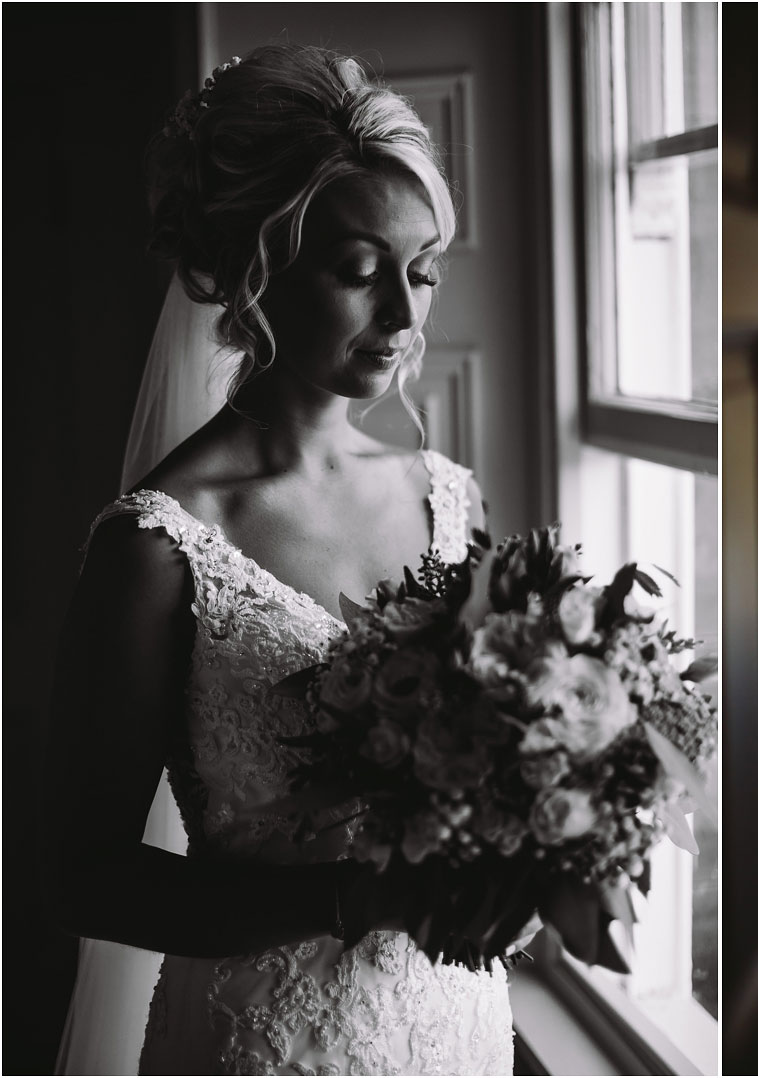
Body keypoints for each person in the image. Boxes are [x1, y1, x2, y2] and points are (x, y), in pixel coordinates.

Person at [47, 45, 514, 1075]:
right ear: (255, 270)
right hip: (272, 1042)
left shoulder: (446, 496)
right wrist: (349, 898)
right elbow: (81, 875)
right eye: (358, 272)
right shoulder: (161, 545)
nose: (402, 312)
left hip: (454, 1020)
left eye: (423, 271)